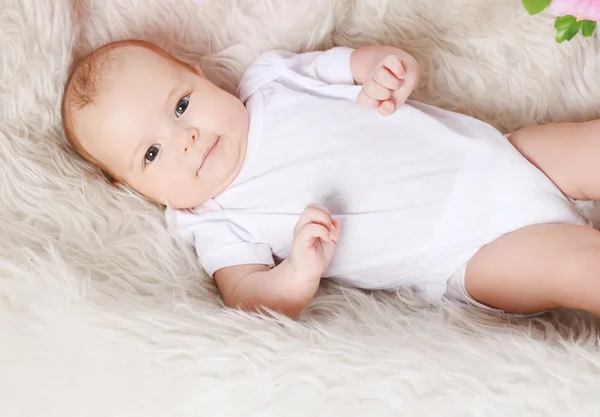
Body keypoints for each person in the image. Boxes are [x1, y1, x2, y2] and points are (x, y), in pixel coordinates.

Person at [62, 39, 600, 319]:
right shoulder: (213, 220)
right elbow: (249, 295)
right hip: (469, 253)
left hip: (500, 159)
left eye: (181, 105)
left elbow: (358, 64)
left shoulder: (273, 80)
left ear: (200, 77)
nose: (186, 138)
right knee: (578, 266)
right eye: (152, 152)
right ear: (135, 189)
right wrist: (296, 274)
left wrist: (385, 68)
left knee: (588, 145)